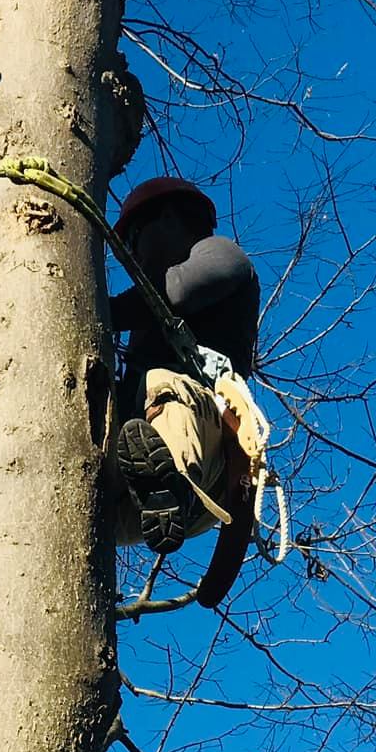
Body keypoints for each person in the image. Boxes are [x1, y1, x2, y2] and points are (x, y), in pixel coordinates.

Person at [111, 177, 261, 558]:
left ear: (167, 218)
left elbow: (178, 292)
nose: (133, 256)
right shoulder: (144, 327)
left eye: (134, 240)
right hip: (150, 500)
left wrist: (102, 309)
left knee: (162, 382)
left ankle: (167, 484)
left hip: (201, 460)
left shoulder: (221, 253)